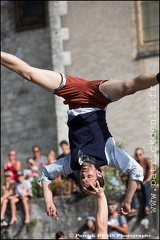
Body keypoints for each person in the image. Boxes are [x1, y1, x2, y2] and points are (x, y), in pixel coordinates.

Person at [1, 51, 159, 219]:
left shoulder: (72, 163)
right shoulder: (109, 155)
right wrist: (127, 200)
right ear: (99, 174)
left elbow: (46, 175)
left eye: (82, 177)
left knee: (28, 74)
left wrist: (49, 202)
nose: (84, 173)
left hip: (72, 95)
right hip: (97, 97)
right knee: (128, 86)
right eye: (88, 176)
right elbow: (136, 171)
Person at [130, 148, 153, 215]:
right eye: (137, 155)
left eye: (140, 154)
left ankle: (147, 206)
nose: (138, 156)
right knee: (130, 190)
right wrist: (137, 184)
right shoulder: (135, 163)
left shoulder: (146, 160)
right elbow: (133, 174)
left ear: (143, 154)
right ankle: (133, 208)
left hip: (146, 182)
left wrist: (148, 179)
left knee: (145, 186)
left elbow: (152, 170)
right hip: (139, 182)